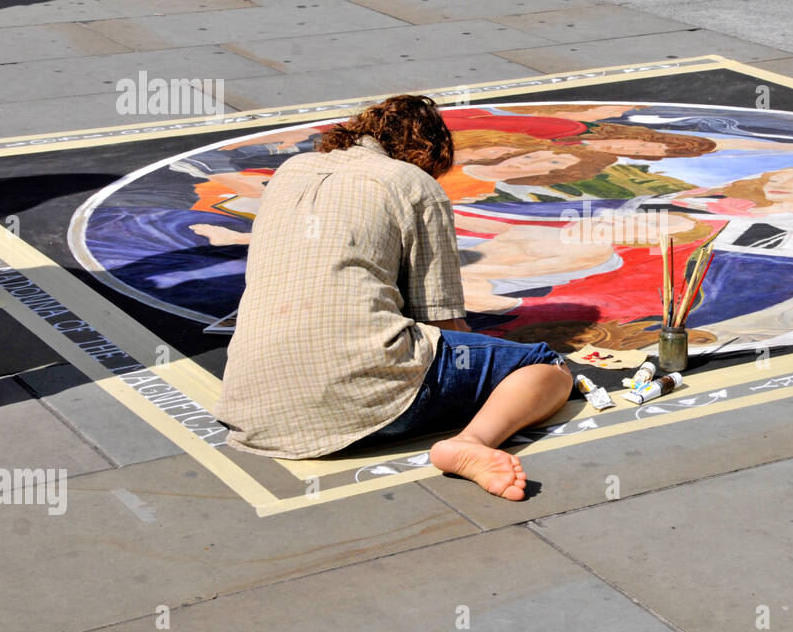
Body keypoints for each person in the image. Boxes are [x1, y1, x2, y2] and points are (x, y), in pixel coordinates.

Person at [214, 95, 573, 501]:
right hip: (364, 396)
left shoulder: (290, 170)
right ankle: (472, 443)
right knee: (546, 366)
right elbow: (441, 323)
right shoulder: (412, 183)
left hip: (250, 404)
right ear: (427, 154)